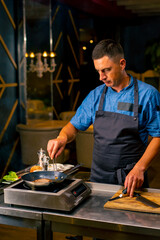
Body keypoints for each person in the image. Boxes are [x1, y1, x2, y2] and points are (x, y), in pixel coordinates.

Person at [47, 39, 160, 197]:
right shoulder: (96, 95)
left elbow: (158, 136)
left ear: (122, 64)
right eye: (98, 71)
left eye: (106, 70)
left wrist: (140, 168)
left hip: (131, 180)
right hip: (98, 179)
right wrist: (62, 137)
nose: (101, 77)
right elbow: (74, 125)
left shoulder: (148, 94)